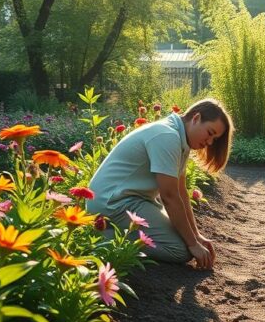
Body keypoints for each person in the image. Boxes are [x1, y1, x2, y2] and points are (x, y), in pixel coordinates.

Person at [87, 99, 232, 269]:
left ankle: (111, 232)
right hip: (112, 203)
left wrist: (196, 236)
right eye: (210, 133)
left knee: (185, 238)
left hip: (131, 199)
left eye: (214, 139)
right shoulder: (167, 136)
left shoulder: (179, 138)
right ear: (196, 118)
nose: (209, 143)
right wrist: (192, 244)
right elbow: (169, 197)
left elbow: (181, 192)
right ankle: (100, 236)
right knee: (180, 250)